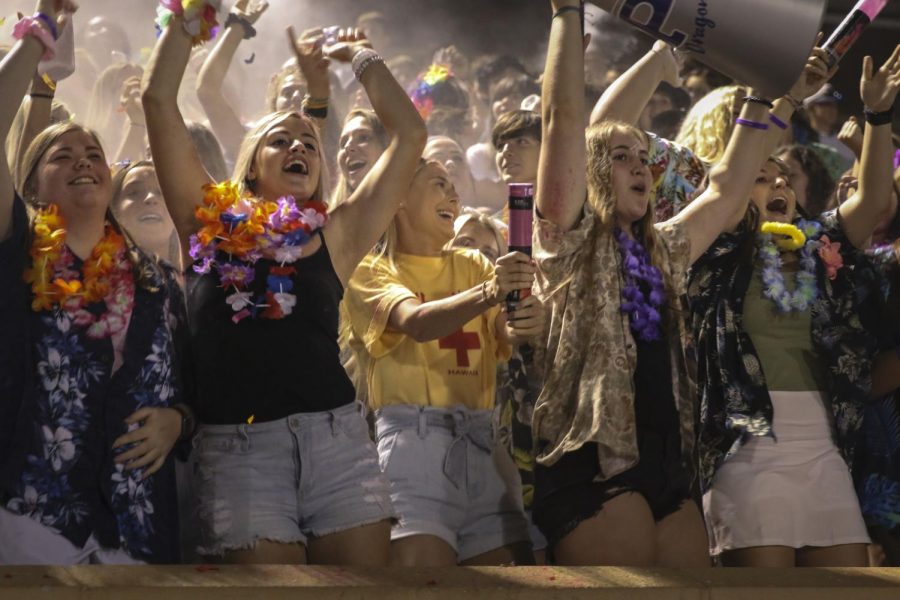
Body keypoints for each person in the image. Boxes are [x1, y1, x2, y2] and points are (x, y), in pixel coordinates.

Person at [530, 0, 826, 567]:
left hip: (672, 471)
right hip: (597, 470)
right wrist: (567, 13)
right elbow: (562, 120)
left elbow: (725, 190)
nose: (641, 167)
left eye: (644, 157)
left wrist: (770, 95)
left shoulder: (664, 247)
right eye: (621, 158)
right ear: (588, 175)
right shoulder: (567, 238)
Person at [142, 4, 426, 565]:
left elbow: (411, 133)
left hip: (338, 446)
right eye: (280, 140)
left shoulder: (337, 235)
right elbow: (158, 99)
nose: (298, 147)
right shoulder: (207, 220)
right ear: (251, 168)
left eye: (309, 144)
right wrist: (193, 15)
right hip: (240, 453)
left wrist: (361, 59)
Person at [690, 46, 900, 567]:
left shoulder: (815, 243)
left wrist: (878, 116)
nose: (779, 182)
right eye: (761, 177)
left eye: (782, 176)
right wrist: (784, 98)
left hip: (824, 449)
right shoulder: (717, 254)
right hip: (749, 447)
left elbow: (874, 202)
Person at [0, 0, 192, 564]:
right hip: (29, 529)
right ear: (32, 186)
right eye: (62, 155)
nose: (84, 160)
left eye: (94, 153)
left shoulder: (158, 283)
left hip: (138, 530)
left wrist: (178, 421)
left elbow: (195, 389)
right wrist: (42, 33)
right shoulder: (15, 258)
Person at [344, 159, 542, 566]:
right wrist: (489, 292)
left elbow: (504, 333)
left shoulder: (472, 265)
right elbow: (415, 322)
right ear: (397, 196)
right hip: (413, 445)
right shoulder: (370, 269)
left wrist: (528, 322)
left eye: (454, 187)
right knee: (422, 584)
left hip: (484, 441)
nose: (454, 196)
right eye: (439, 184)